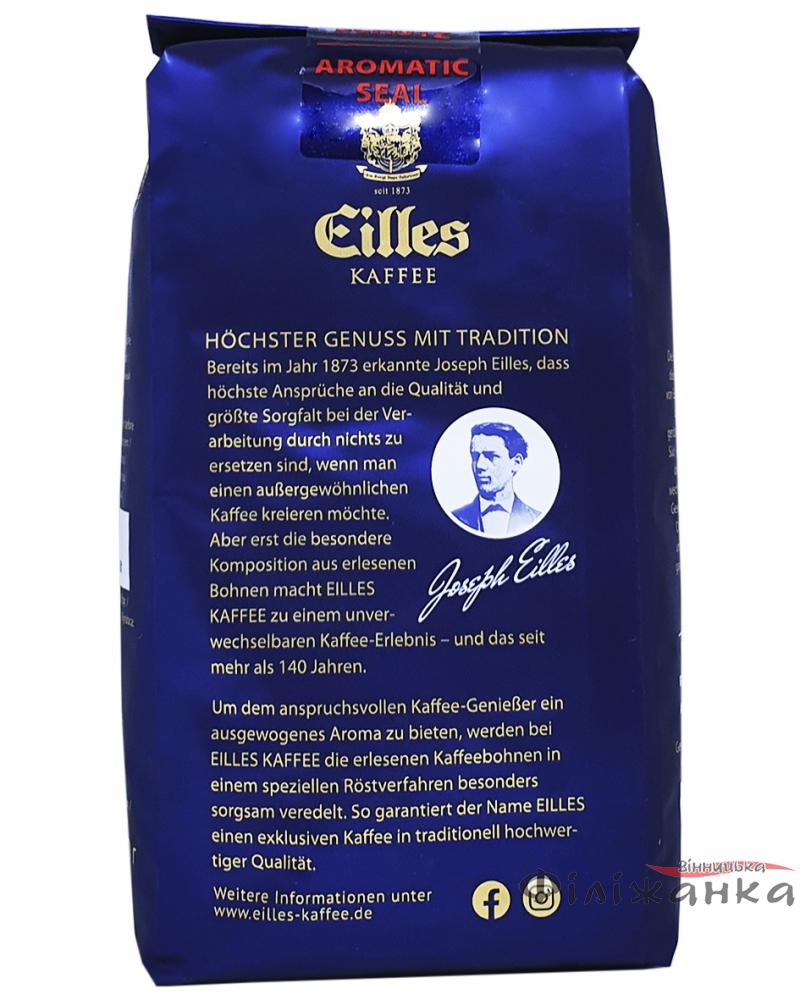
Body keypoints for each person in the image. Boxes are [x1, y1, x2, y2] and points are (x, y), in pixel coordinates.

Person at [451, 421, 540, 537]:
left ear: (516, 463)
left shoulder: (536, 519)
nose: (479, 466)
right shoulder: (455, 518)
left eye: (491, 456)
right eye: (475, 456)